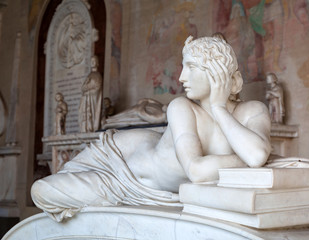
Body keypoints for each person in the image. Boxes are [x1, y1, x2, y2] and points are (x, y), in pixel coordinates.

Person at [31, 35, 272, 222]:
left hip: (132, 187)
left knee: (44, 190)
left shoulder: (253, 111)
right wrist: (245, 160)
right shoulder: (181, 107)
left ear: (217, 75)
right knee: (40, 190)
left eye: (190, 67)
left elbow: (257, 155)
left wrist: (219, 108)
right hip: (119, 157)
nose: (181, 77)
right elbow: (197, 170)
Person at [103, 98, 168, 129]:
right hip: (138, 108)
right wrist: (144, 101)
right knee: (122, 114)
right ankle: (108, 120)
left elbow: (140, 112)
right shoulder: (162, 106)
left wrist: (143, 103)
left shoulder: (161, 117)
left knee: (120, 117)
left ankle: (108, 121)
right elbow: (146, 99)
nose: (168, 104)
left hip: (134, 114)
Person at [78, 55, 103, 132]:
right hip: (86, 99)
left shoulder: (98, 75)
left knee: (92, 114)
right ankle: (86, 128)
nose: (92, 63)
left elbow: (97, 88)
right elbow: (82, 88)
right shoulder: (89, 75)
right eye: (91, 61)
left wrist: (88, 89)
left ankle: (91, 127)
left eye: (94, 61)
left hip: (93, 99)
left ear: (97, 63)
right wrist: (88, 88)